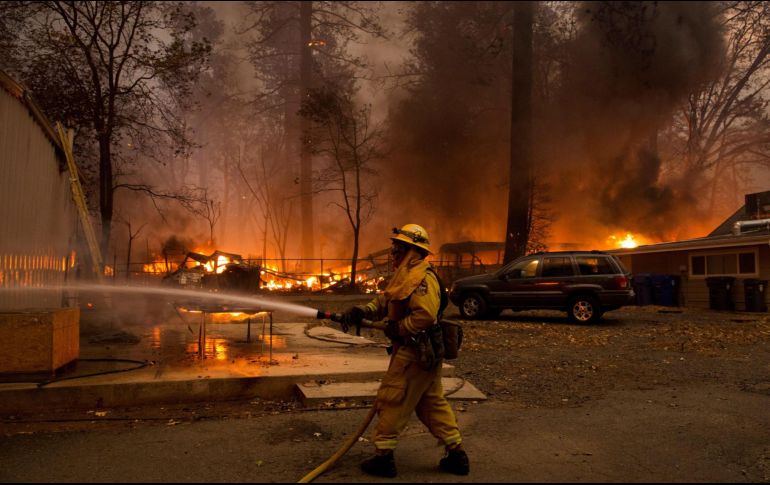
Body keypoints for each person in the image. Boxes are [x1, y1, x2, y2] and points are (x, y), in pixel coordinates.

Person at [342, 223, 469, 478]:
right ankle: (457, 455)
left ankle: (384, 458)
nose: (393, 254)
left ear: (412, 250)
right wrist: (363, 311)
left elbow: (426, 316)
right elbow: (386, 300)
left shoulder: (422, 278)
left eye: (397, 249)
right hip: (422, 357)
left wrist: (399, 329)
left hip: (414, 353)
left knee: (392, 399)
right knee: (431, 404)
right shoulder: (405, 275)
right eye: (394, 248)